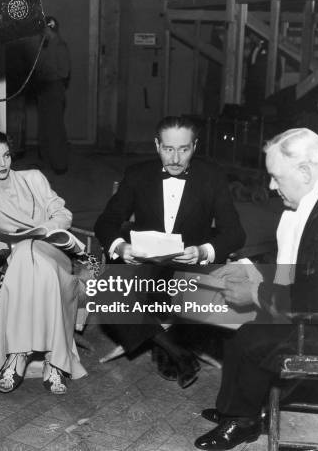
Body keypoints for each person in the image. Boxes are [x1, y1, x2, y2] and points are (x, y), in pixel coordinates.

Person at [195, 128, 318, 450]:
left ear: (305, 172)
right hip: (309, 306)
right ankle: (235, 411)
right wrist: (248, 266)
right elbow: (294, 261)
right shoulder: (311, 203)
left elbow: (312, 297)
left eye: (276, 177)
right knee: (238, 328)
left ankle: (244, 421)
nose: (270, 186)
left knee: (253, 336)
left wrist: (254, 294)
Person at [94, 115, 246, 388]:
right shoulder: (138, 174)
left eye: (184, 149)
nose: (175, 159)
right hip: (148, 262)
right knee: (106, 289)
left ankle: (165, 345)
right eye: (168, 149)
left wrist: (202, 251)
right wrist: (120, 246)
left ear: (195, 146)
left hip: (191, 267)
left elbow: (235, 234)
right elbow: (106, 222)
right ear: (156, 145)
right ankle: (175, 349)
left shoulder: (212, 177)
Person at [0, 129, 87, 394]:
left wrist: (47, 229)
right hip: (16, 262)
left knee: (31, 247)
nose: (3, 163)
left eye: (6, 155)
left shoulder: (33, 178)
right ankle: (53, 361)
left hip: (53, 254)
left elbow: (62, 212)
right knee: (25, 251)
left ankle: (17, 357)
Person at [29, 15, 71, 174]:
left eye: (43, 30)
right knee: (44, 128)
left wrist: (46, 74)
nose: (41, 33)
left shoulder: (60, 46)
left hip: (54, 90)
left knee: (55, 128)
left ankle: (60, 164)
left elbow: (64, 72)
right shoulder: (44, 46)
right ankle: (46, 161)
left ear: (49, 29)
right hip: (44, 91)